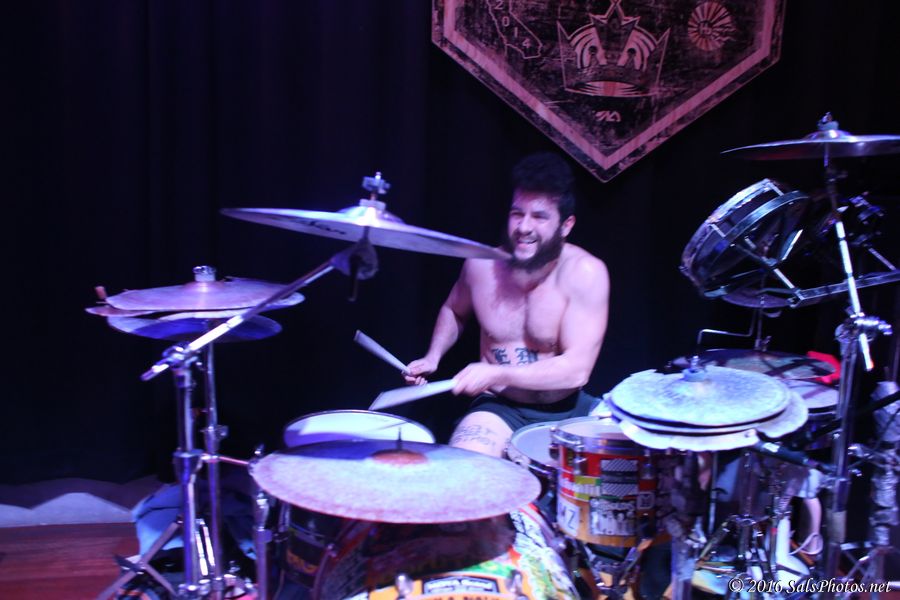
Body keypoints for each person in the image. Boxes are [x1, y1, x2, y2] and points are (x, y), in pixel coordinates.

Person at [405, 152, 610, 457]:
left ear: (566, 225)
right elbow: (454, 310)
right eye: (517, 213)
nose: (524, 227)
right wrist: (433, 356)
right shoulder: (480, 266)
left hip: (570, 409)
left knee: (621, 466)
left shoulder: (585, 272)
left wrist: (498, 373)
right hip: (499, 408)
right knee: (465, 468)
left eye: (539, 217)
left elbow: (576, 370)